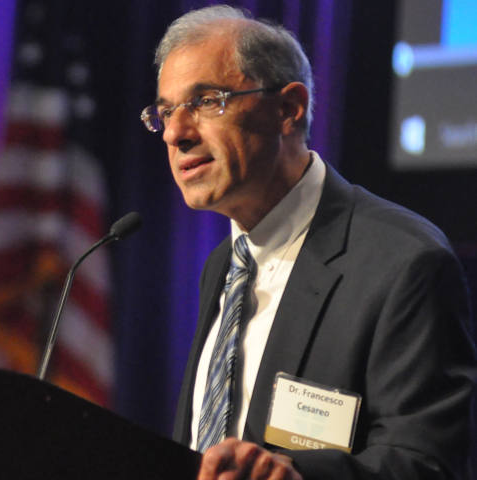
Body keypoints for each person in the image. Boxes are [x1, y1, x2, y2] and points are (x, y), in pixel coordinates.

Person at [140, 5, 476, 479]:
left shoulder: (404, 263)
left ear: (288, 110)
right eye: (166, 112)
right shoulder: (223, 265)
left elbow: (428, 464)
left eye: (206, 101)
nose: (176, 133)